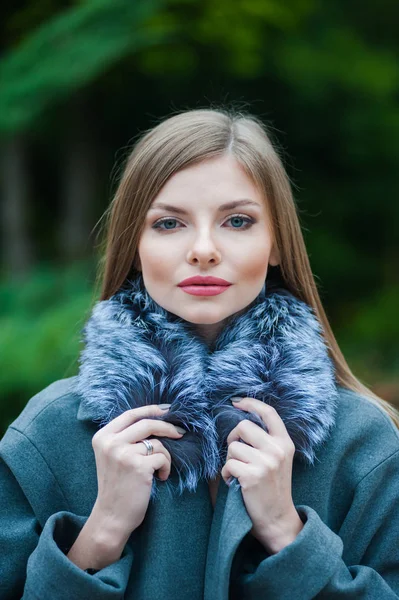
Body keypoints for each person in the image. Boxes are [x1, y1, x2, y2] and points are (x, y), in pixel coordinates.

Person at [1, 108, 399, 600]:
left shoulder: (363, 445)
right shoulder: (46, 435)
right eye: (169, 223)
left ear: (277, 243)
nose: (204, 249)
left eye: (237, 220)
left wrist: (287, 534)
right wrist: (100, 535)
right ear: (135, 245)